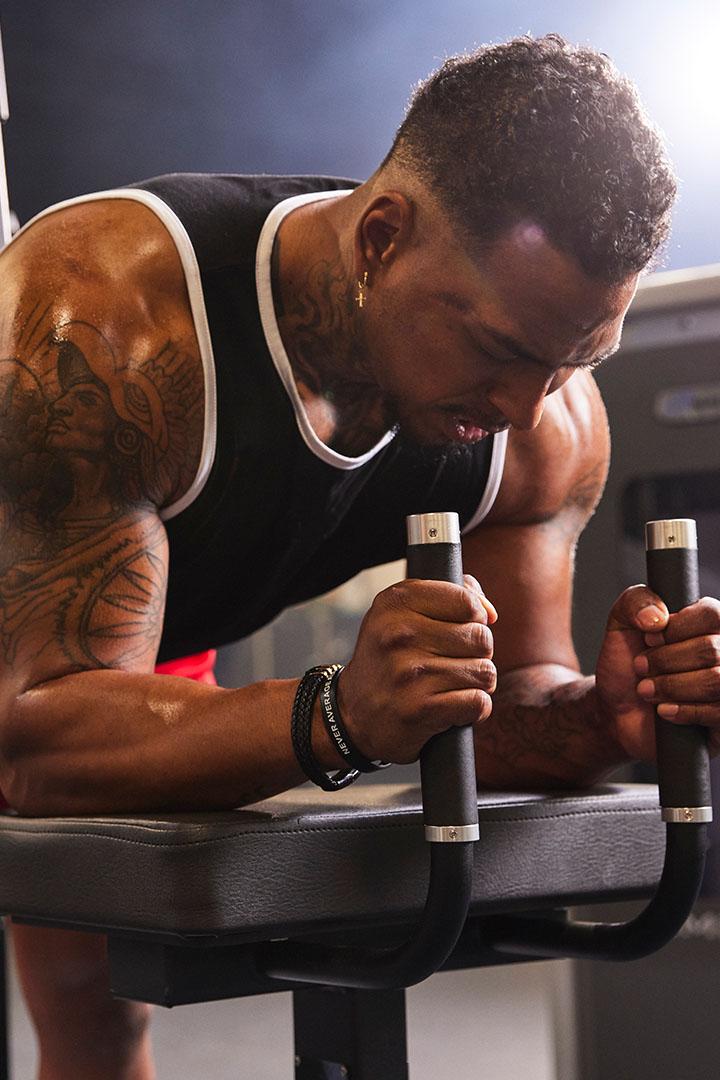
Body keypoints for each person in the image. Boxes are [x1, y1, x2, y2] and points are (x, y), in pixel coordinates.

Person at [1, 31, 718, 1080]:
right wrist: (339, 712)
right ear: (382, 238)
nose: (530, 404)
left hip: (128, 634)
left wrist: (594, 724)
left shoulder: (549, 423)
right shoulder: (107, 326)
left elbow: (510, 707)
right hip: (30, 620)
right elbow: (33, 748)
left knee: (94, 1002)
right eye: (505, 350)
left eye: (576, 358)